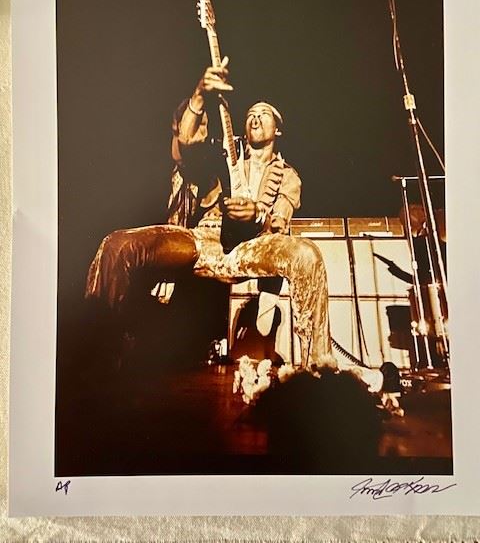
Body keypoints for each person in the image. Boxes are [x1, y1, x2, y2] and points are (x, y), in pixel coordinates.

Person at [85, 58, 330, 367]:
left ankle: (318, 365)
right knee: (118, 244)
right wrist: (200, 94)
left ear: (278, 130)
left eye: (264, 114)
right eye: (251, 114)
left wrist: (257, 215)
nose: (255, 118)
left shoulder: (288, 175)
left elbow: (279, 223)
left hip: (252, 247)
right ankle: (97, 355)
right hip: (205, 239)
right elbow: (186, 144)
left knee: (307, 255)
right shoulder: (223, 156)